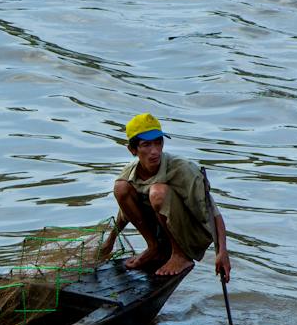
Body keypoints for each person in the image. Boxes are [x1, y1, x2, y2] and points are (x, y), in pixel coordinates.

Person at [98, 112, 231, 280]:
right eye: (146, 145)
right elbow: (125, 211)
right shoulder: (130, 172)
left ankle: (179, 256)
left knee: (157, 192)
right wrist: (110, 241)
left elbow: (213, 212)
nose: (154, 151)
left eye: (158, 143)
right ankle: (153, 247)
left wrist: (222, 252)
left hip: (191, 234)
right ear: (133, 150)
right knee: (121, 187)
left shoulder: (184, 170)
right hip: (163, 231)